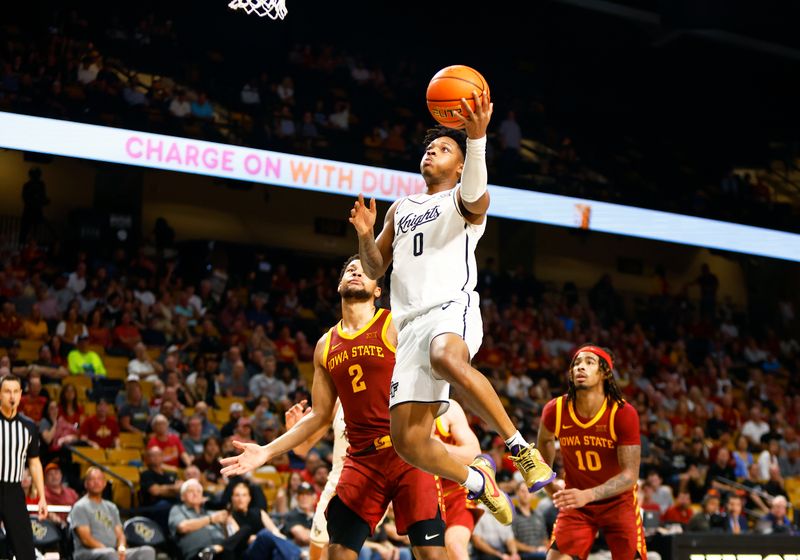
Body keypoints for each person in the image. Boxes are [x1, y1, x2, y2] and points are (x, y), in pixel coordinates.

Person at [347, 91, 553, 525]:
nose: (430, 153)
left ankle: (520, 448)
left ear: (459, 165)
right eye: (428, 148)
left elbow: (478, 197)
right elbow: (374, 267)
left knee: (446, 357)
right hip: (408, 326)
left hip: (450, 307)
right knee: (408, 441)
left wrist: (476, 139)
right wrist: (366, 236)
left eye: (442, 149)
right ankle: (477, 481)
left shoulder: (462, 199)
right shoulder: (402, 208)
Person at [221, 257, 448, 560]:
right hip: (362, 461)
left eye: (365, 270)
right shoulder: (325, 345)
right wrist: (266, 451)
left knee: (431, 554)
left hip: (406, 452)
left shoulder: (395, 324)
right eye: (349, 270)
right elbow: (319, 415)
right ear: (340, 284)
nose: (356, 271)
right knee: (337, 553)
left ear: (378, 290)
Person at [537, 345, 647, 559]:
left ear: (605, 372)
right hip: (577, 503)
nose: (580, 367)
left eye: (589, 362)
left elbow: (629, 476)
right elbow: (544, 441)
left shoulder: (622, 412)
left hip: (618, 502)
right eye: (576, 363)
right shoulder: (555, 409)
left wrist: (588, 495)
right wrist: (548, 482)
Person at [0, 374, 48, 560]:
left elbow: (34, 462)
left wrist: (42, 497)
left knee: (25, 550)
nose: (11, 396)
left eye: (15, 392)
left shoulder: (29, 426)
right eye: (7, 392)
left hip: (14, 491)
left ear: (20, 395)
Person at [432, 398, 484, 560]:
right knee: (433, 555)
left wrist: (439, 448)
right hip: (425, 497)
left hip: (456, 493)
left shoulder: (448, 408)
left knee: (454, 546)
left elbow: (474, 454)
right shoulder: (399, 410)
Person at [69, 467, 156, 560]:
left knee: (147, 551)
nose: (96, 482)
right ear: (86, 484)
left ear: (104, 483)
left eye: (99, 479)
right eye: (92, 479)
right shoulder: (80, 506)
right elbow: (86, 539)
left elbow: (120, 534)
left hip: (113, 552)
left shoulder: (111, 507)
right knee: (110, 554)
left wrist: (121, 548)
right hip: (88, 552)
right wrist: (110, 551)